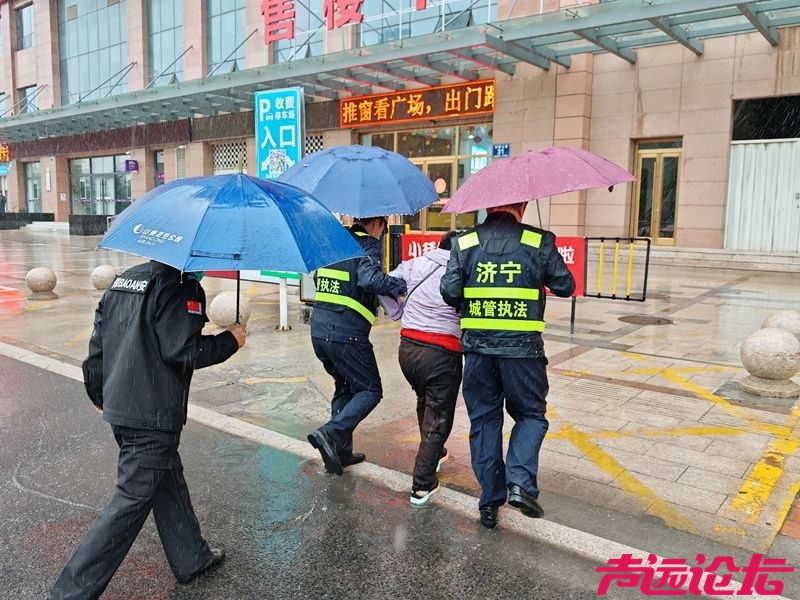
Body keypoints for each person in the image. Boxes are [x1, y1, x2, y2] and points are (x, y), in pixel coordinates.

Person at [48, 261, 247, 599]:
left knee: (167, 477)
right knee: (129, 503)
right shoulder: (182, 286)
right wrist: (230, 340)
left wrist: (98, 390)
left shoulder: (124, 279)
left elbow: (99, 341)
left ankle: (191, 557)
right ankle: (69, 594)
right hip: (152, 413)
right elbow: (182, 350)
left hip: (122, 405)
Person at [440, 202, 575, 529]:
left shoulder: (465, 241)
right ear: (523, 205)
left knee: (485, 421)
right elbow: (566, 286)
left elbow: (449, 290)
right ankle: (519, 482)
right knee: (530, 415)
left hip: (477, 353)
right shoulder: (537, 241)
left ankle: (489, 503)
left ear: (487, 205)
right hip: (523, 354)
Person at [308, 215, 407, 476]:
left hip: (319, 330)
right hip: (346, 334)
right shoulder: (368, 245)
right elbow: (369, 280)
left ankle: (340, 452)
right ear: (377, 223)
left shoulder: (334, 241)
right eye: (383, 229)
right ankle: (329, 433)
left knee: (345, 386)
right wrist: (400, 284)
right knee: (370, 390)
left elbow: (321, 278)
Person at [381, 231, 462, 506]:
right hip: (441, 352)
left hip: (408, 350)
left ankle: (435, 453)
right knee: (439, 415)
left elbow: (383, 284)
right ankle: (422, 484)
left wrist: (397, 312)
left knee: (425, 400)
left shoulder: (416, 263)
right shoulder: (462, 268)